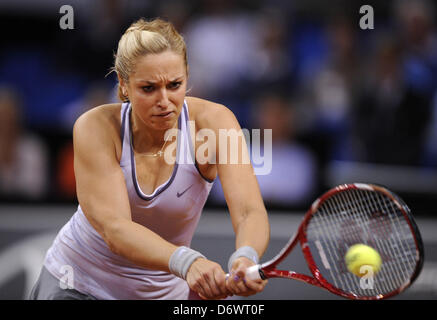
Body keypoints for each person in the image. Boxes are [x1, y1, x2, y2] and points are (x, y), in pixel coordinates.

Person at [29, 17, 270, 300]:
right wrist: (188, 262)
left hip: (166, 293)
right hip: (78, 284)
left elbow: (248, 212)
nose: (164, 100)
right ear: (123, 85)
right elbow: (116, 230)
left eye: (175, 84)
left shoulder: (215, 123)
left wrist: (246, 254)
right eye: (148, 88)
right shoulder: (94, 127)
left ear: (187, 77)